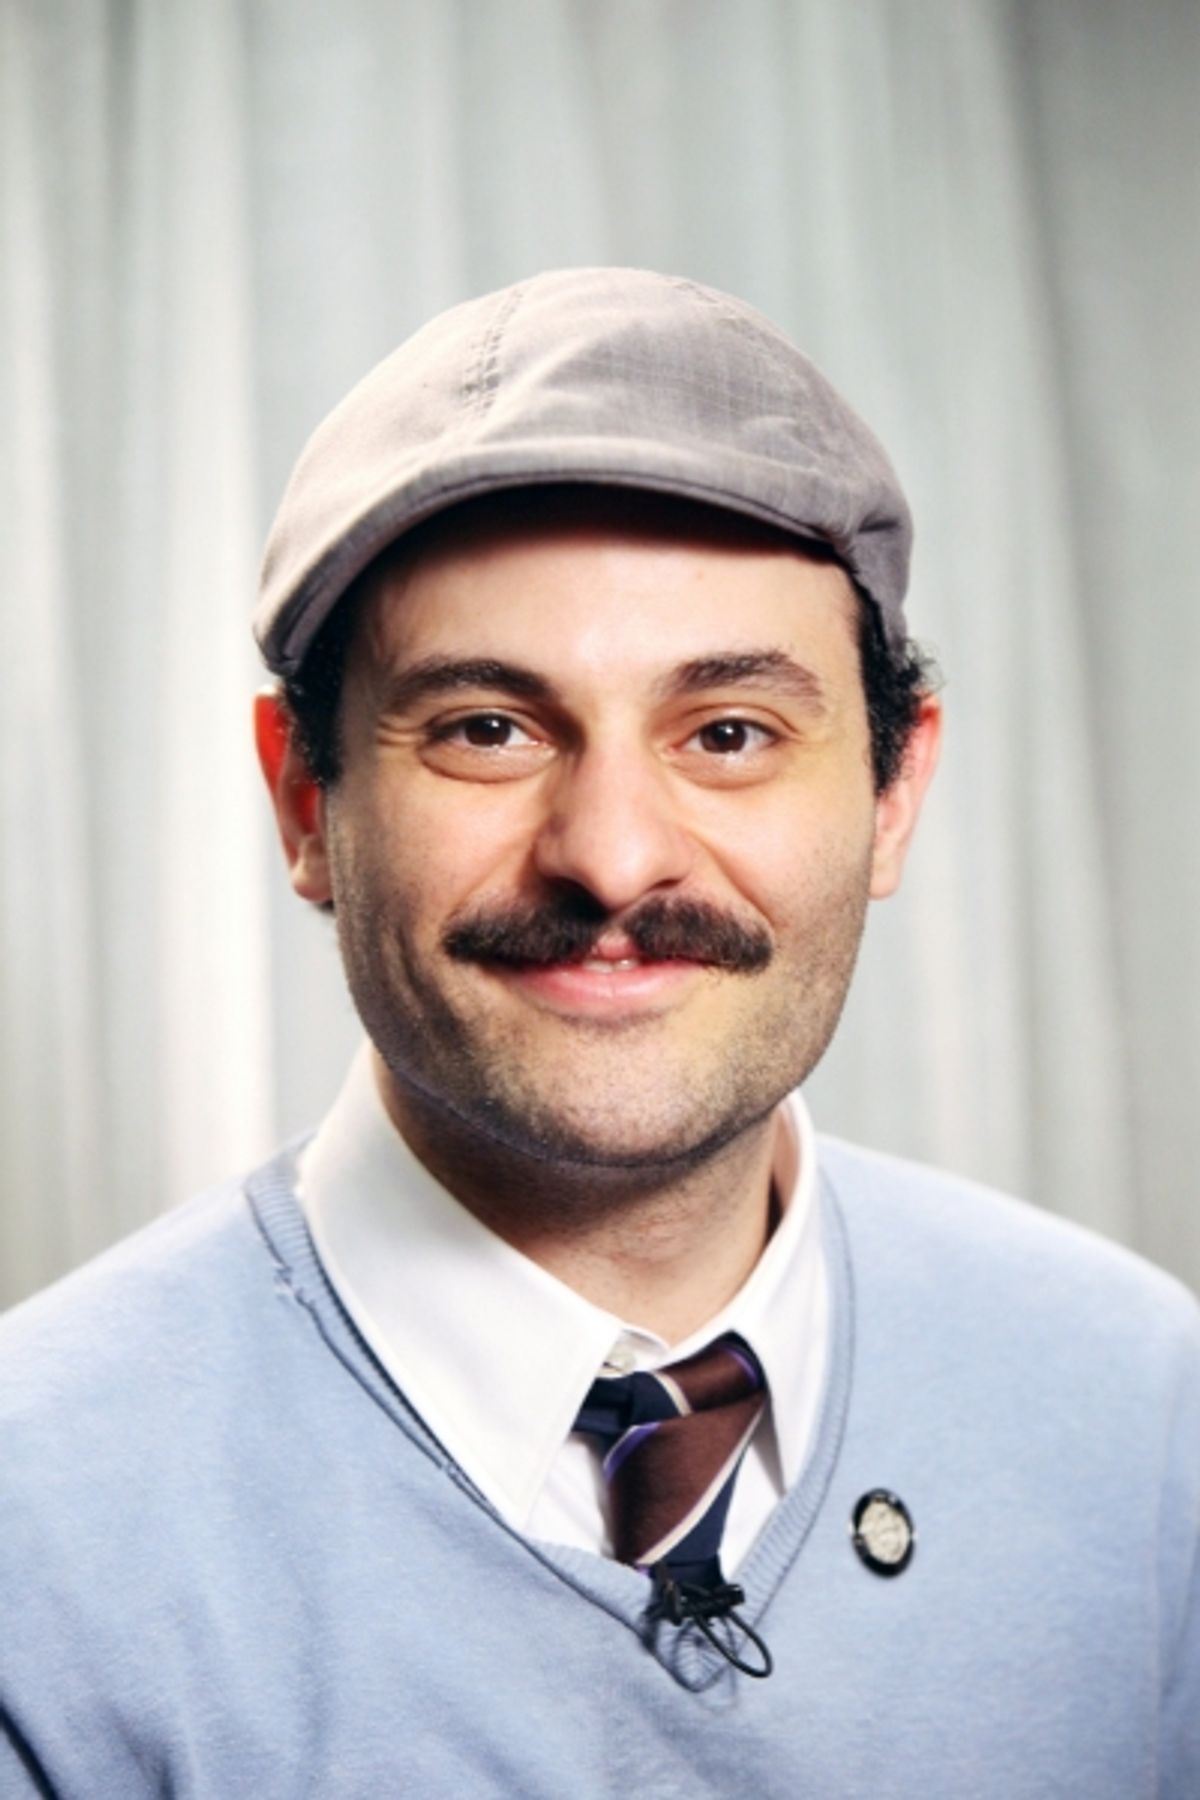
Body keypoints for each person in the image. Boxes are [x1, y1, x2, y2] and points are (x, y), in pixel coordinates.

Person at [1, 268, 1197, 1797]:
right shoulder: (33, 1535)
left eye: (730, 733)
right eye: (486, 728)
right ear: (306, 803)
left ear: (895, 796)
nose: (617, 857)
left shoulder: (1140, 1404)